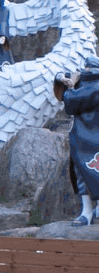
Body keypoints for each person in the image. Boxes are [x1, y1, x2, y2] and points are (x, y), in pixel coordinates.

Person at [56, 62, 99, 222]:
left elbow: (70, 101)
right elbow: (59, 76)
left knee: (83, 175)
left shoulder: (92, 86)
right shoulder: (88, 83)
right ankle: (91, 211)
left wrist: (71, 85)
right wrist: (64, 78)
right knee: (90, 174)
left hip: (84, 137)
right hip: (86, 135)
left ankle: (86, 213)